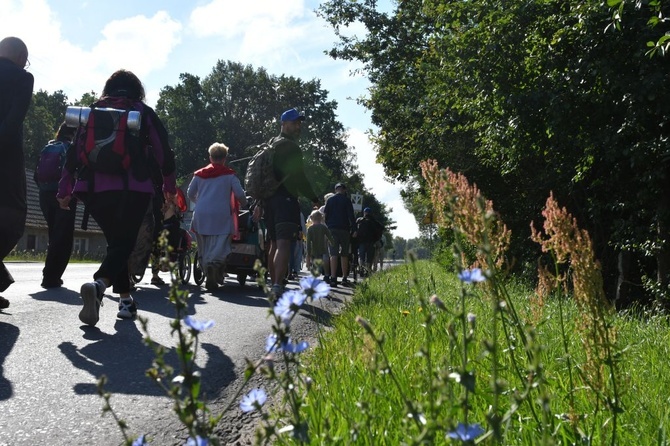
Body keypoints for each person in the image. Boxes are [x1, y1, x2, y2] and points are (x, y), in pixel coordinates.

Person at [58, 69, 177, 326]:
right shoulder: (141, 112)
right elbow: (163, 151)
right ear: (136, 90)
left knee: (117, 245)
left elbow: (75, 151)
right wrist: (169, 186)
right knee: (124, 243)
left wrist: (64, 190)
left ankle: (125, 302)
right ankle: (98, 285)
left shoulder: (92, 111)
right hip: (133, 187)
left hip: (94, 189)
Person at [254, 108, 319, 296]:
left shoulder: (271, 144)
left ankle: (275, 285)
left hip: (269, 201)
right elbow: (299, 176)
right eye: (294, 122)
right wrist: (313, 197)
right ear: (284, 124)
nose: (298, 126)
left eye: (299, 123)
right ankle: (276, 286)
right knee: (283, 244)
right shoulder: (291, 147)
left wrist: (259, 202)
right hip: (286, 200)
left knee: (273, 244)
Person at [0, 37, 33, 310]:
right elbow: (13, 120)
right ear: (21, 56)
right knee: (13, 219)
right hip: (6, 159)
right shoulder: (22, 78)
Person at [188, 142, 247, 291]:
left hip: (201, 214)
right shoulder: (229, 175)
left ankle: (208, 269)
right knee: (220, 244)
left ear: (210, 157)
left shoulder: (199, 174)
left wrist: (200, 202)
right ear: (224, 158)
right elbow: (240, 194)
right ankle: (214, 265)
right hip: (221, 214)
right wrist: (245, 204)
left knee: (204, 245)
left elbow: (190, 193)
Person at [34, 122, 77, 288]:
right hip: (63, 196)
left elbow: (37, 176)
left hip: (44, 194)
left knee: (55, 234)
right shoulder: (70, 148)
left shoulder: (49, 146)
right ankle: (50, 276)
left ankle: (51, 274)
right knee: (63, 237)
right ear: (73, 134)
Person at [324, 182, 356, 287]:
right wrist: (354, 229)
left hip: (332, 229)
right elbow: (351, 216)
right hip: (344, 229)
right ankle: (344, 278)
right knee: (344, 254)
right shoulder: (347, 201)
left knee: (333, 254)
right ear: (344, 190)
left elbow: (326, 216)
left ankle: (333, 278)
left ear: (335, 190)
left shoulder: (330, 200)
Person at [305, 209, 335, 281]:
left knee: (314, 261)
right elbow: (329, 236)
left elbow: (308, 241)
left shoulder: (310, 229)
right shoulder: (323, 227)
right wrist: (333, 243)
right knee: (322, 261)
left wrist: (308, 252)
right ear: (321, 218)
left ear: (311, 218)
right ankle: (326, 275)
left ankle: (315, 276)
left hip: (313, 249)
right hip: (322, 248)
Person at [356, 207, 384, 274]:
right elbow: (381, 228)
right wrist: (377, 239)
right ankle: (368, 270)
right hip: (371, 242)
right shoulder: (374, 221)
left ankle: (361, 269)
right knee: (369, 257)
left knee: (361, 256)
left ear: (364, 213)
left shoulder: (360, 220)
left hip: (361, 241)